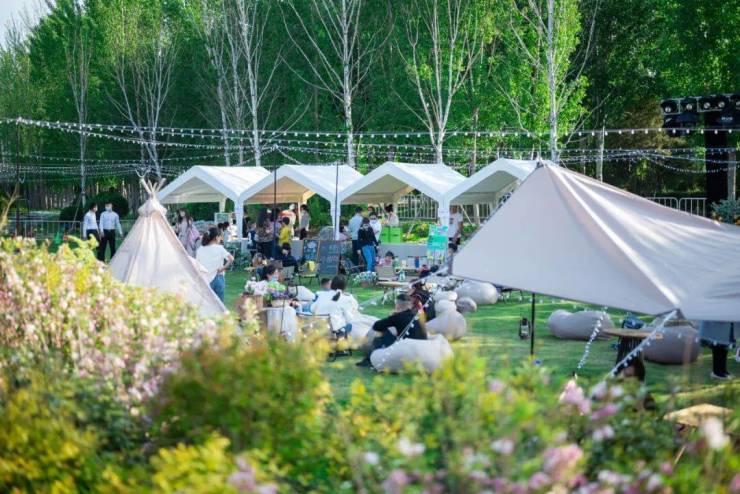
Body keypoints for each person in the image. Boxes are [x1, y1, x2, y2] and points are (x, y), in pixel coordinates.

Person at [356, 293, 427, 367]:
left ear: (397, 304)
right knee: (391, 330)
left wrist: (391, 316)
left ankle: (370, 359)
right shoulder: (416, 316)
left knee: (383, 331)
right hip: (422, 348)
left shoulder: (398, 317)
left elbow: (376, 326)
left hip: (407, 349)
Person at [196, 227, 234, 302]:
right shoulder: (219, 248)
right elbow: (231, 259)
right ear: (216, 237)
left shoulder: (200, 250)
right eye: (220, 237)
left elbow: (198, 266)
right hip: (218, 278)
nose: (221, 239)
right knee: (219, 304)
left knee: (207, 304)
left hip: (205, 279)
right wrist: (223, 268)